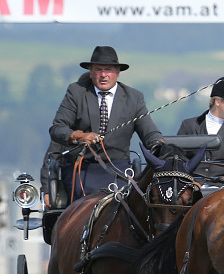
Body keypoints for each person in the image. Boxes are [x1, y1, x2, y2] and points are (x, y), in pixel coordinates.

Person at [49, 46, 164, 203]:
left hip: (119, 170)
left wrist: (162, 147)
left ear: (117, 73)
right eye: (98, 70)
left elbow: (150, 134)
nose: (103, 75)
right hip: (82, 169)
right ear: (91, 72)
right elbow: (57, 128)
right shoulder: (76, 92)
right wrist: (78, 136)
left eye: (108, 70)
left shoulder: (134, 98)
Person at [177, 75, 224, 189]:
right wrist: (190, 182)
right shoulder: (188, 126)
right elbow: (179, 161)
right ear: (217, 101)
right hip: (192, 190)